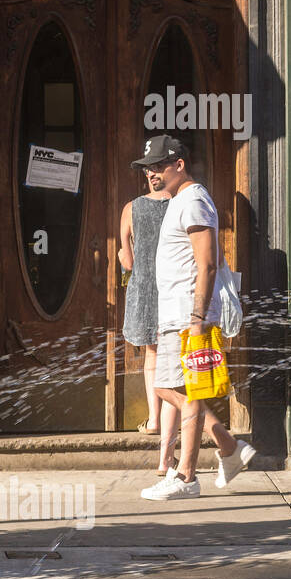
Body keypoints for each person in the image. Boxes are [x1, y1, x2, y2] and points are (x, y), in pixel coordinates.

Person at [134, 135, 259, 502]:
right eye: (147, 169)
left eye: (158, 166)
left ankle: (187, 475)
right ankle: (228, 447)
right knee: (164, 388)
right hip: (175, 315)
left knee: (186, 392)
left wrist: (197, 317)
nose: (152, 174)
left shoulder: (194, 199)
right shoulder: (177, 201)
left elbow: (206, 262)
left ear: (179, 164)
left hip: (190, 316)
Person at [119, 167, 181, 468]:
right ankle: (174, 421)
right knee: (174, 356)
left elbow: (127, 261)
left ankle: (154, 419)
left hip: (143, 288)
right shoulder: (180, 203)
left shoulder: (131, 208)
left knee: (151, 354)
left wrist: (123, 258)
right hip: (173, 288)